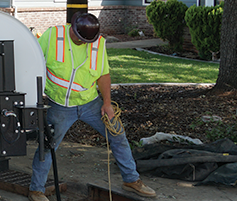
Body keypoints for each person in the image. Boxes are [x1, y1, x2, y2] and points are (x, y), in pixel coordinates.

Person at [27, 12, 156, 201]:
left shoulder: (98, 43)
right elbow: (33, 63)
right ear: (72, 27)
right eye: (79, 39)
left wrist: (107, 103)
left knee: (117, 134)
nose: (82, 43)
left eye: (86, 40)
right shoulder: (53, 35)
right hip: (60, 105)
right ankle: (36, 190)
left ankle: (131, 179)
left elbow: (103, 75)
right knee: (47, 146)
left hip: (90, 102)